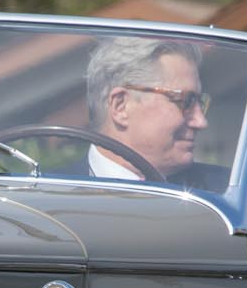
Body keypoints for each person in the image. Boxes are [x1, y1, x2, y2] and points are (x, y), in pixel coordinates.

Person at [79, 36, 226, 187]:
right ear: (121, 106)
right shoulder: (56, 193)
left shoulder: (224, 194)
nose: (201, 121)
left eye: (199, 103)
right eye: (186, 101)